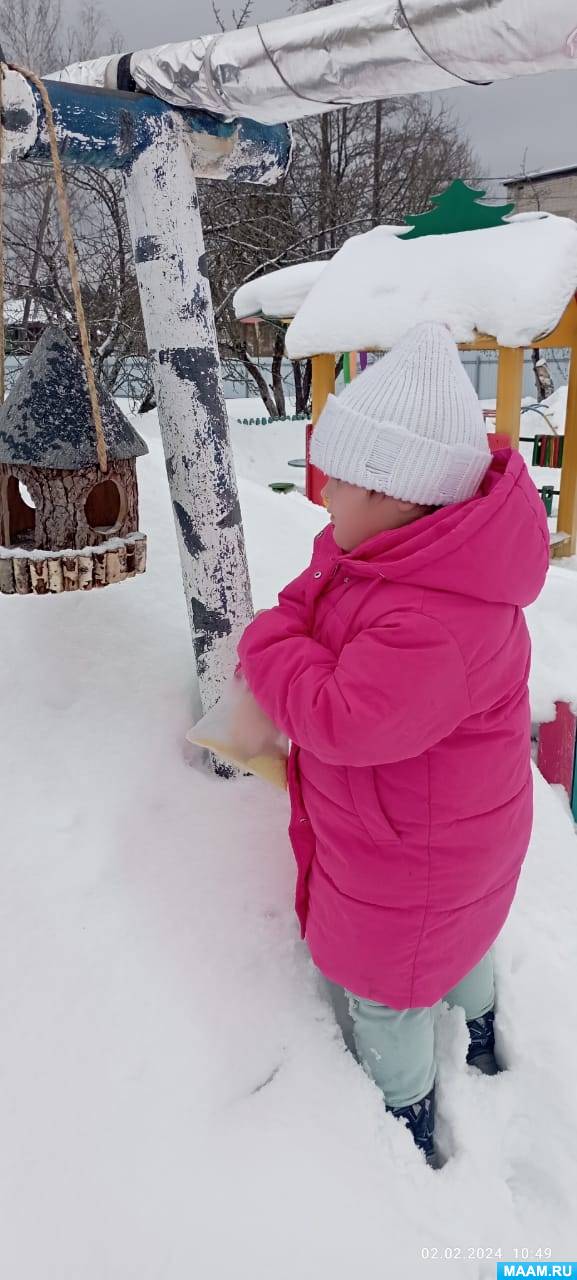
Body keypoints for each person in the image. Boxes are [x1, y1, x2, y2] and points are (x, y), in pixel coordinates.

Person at [236, 322, 549, 1165]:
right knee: (458, 938)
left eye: (334, 479)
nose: (321, 494)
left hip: (410, 852)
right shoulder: (395, 557)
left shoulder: (431, 620)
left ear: (393, 491)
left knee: (389, 987)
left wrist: (267, 646)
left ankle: (403, 1118)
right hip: (440, 832)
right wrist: (298, 623)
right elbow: (315, 594)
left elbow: (340, 717)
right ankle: (478, 1028)